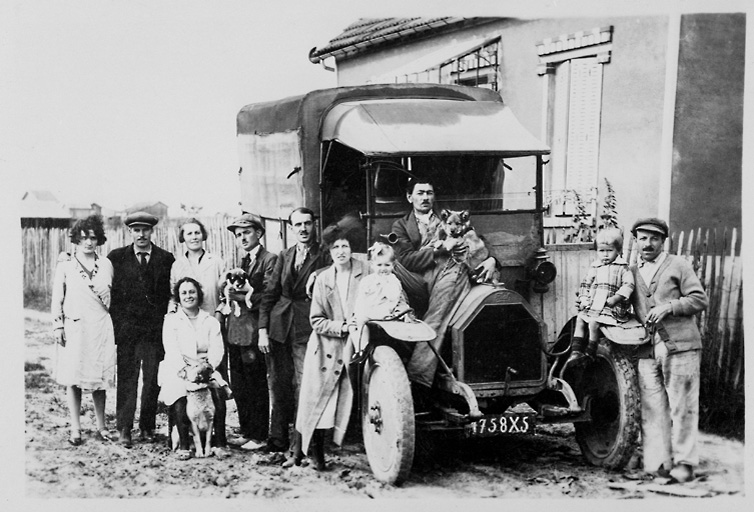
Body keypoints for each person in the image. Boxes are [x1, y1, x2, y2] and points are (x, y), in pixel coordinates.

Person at [391, 179, 497, 394]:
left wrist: (492, 259)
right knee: (436, 316)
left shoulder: (449, 218)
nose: (425, 197)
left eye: (429, 193)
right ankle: (419, 379)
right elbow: (407, 260)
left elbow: (476, 242)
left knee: (441, 310)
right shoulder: (401, 225)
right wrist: (441, 249)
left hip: (452, 271)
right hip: (419, 280)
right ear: (409, 197)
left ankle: (421, 379)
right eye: (420, 193)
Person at [629, 217, 708, 483]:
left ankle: (685, 463)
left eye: (654, 238)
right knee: (652, 408)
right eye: (642, 238)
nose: (647, 244)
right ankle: (657, 464)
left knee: (682, 407)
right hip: (646, 349)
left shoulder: (678, 265)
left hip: (680, 347)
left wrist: (669, 307)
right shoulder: (630, 271)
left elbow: (699, 299)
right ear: (635, 240)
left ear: (663, 241)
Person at [258, 207, 330, 462]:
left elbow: (334, 273)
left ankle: (302, 443)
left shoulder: (324, 255)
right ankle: (277, 439)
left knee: (303, 385)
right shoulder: (284, 255)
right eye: (297, 224)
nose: (303, 229)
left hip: (305, 327)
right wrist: (262, 330)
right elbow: (270, 293)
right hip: (279, 327)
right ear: (290, 228)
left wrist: (319, 273)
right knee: (278, 383)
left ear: (314, 225)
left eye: (307, 223)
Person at [292, 222, 364, 470]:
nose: (341, 251)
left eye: (345, 246)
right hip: (327, 346)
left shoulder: (365, 271)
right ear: (330, 252)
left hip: (358, 343)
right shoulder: (323, 279)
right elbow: (317, 320)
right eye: (336, 247)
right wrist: (342, 327)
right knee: (320, 400)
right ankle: (316, 454)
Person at [108, 211, 175, 447]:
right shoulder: (116, 258)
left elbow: (169, 294)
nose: (141, 234)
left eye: (145, 230)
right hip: (127, 331)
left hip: (155, 332)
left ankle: (147, 426)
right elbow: (110, 294)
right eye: (136, 230)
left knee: (152, 379)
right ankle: (124, 427)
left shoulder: (166, 259)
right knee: (127, 378)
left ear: (152, 231)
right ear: (130, 232)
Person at [51, 215, 116, 446]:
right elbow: (57, 298)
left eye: (93, 237)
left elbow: (113, 297)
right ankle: (76, 428)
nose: (89, 242)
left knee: (98, 378)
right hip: (76, 326)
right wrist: (58, 325)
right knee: (74, 378)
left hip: (99, 327)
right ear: (76, 238)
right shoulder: (66, 264)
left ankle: (101, 427)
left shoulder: (107, 264)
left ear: (99, 239)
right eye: (84, 237)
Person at [168, 218, 230, 451]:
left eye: (197, 233)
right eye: (188, 233)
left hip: (209, 324)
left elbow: (225, 294)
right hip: (185, 328)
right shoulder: (178, 265)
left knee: (216, 382)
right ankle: (186, 439)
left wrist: (219, 316)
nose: (193, 237)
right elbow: (175, 296)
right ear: (182, 238)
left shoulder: (216, 261)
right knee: (182, 389)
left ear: (203, 235)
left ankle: (218, 438)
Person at [222, 213, 277, 450]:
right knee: (240, 381)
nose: (242, 238)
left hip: (255, 330)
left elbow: (269, 293)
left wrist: (244, 297)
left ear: (259, 233)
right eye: (238, 235)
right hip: (237, 331)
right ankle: (246, 430)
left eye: (247, 232)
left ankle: (259, 434)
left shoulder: (269, 260)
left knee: (255, 381)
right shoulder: (243, 262)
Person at [159, 277, 226, 460]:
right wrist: (187, 371)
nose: (188, 296)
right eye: (184, 293)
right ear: (178, 297)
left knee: (218, 388)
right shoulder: (171, 321)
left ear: (199, 294)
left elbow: (217, 348)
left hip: (206, 368)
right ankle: (184, 444)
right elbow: (171, 349)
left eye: (192, 292)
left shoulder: (210, 321)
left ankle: (219, 442)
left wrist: (207, 367)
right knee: (180, 391)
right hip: (180, 369)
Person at [564, 227, 634, 367]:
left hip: (611, 307)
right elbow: (585, 284)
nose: (605, 255)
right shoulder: (595, 267)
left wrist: (617, 297)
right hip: (595, 305)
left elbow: (629, 285)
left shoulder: (622, 267)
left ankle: (591, 351)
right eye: (602, 251)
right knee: (579, 319)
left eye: (609, 250)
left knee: (593, 323)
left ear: (618, 251)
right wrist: (584, 299)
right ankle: (576, 351)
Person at [351, 242, 413, 330]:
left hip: (385, 311)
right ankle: (362, 343)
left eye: (387, 265)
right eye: (379, 265)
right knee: (357, 325)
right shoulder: (367, 280)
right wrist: (357, 312)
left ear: (392, 266)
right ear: (372, 265)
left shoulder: (392, 280)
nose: (383, 268)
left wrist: (385, 284)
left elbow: (393, 297)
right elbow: (361, 298)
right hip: (368, 310)